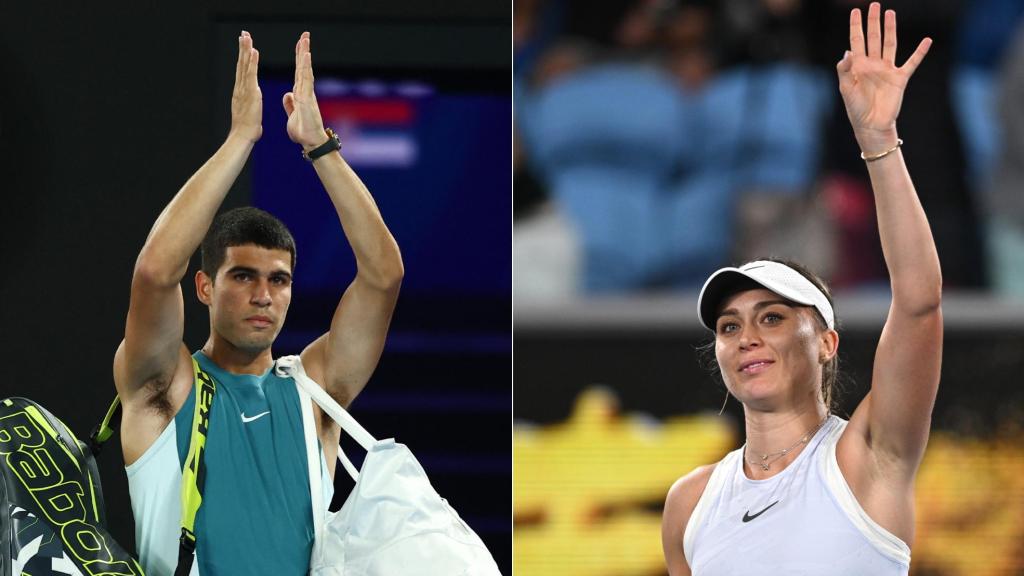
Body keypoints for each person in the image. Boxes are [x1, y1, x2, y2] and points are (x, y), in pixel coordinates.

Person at [661, 4, 940, 574]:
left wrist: (879, 140)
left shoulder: (867, 457)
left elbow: (917, 302)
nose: (745, 338)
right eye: (729, 326)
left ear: (827, 342)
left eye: (772, 317)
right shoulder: (688, 504)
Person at [113, 31, 403, 575]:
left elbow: (383, 276)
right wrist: (240, 140)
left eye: (279, 279)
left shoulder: (317, 389)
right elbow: (154, 273)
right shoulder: (163, 386)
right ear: (204, 287)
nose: (264, 295)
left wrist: (319, 147)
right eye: (243, 276)